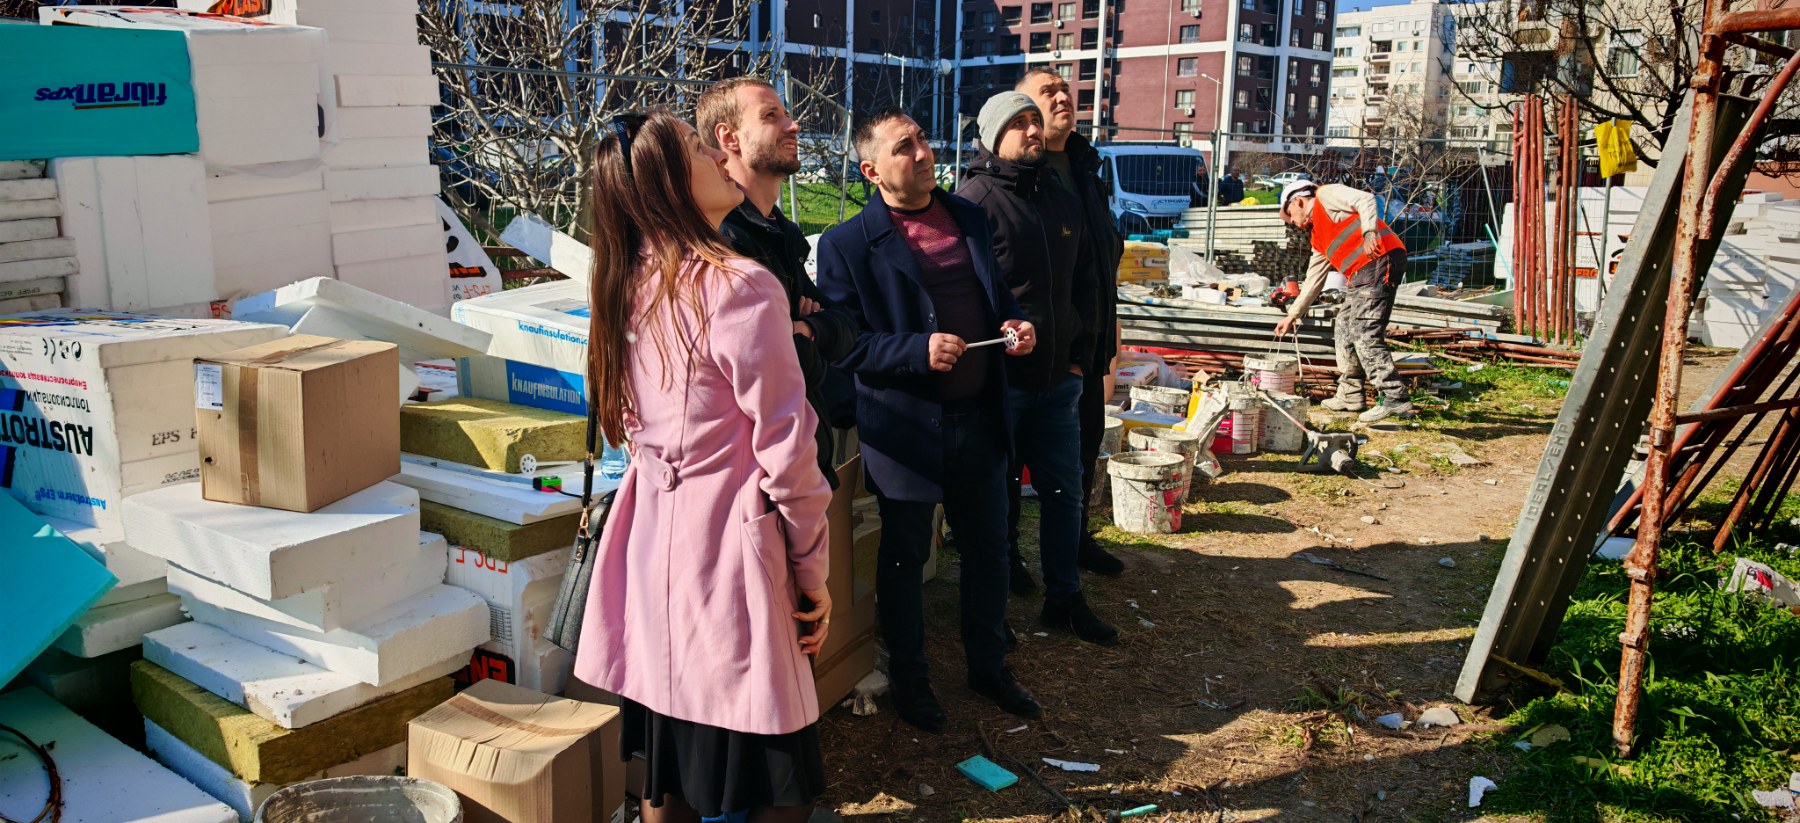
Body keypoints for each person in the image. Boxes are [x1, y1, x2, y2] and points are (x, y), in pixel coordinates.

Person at [575, 109, 833, 823]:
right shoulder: (739, 287)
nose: (719, 155)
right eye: (696, 147)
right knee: (777, 781)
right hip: (731, 569)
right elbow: (790, 454)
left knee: (671, 773)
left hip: (653, 558)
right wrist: (813, 572)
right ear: (666, 181)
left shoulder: (623, 285)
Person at [815, 108, 1043, 732]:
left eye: (921, 139)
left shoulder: (967, 216)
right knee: (906, 556)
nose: (922, 152)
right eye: (903, 146)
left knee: (989, 550)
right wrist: (915, 351)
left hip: (980, 417)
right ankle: (912, 681)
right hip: (907, 428)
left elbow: (999, 295)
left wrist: (1016, 323)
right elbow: (844, 344)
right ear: (871, 172)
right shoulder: (847, 244)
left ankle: (988, 667)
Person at [956, 90, 1116, 647]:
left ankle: (1064, 598)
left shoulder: (1060, 198)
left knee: (1064, 494)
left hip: (1057, 383)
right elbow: (962, 296)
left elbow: (1086, 283)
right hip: (999, 386)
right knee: (993, 501)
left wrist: (1077, 360)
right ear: (992, 136)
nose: (1032, 130)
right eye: (1018, 123)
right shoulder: (973, 204)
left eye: (1033, 120)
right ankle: (993, 607)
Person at [698, 77, 856, 486]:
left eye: (786, 113)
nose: (793, 126)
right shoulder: (722, 241)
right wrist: (805, 337)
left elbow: (846, 327)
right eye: (771, 116)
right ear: (729, 137)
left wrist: (806, 329)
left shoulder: (782, 234)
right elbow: (770, 368)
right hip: (757, 479)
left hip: (800, 462)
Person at [1013, 67, 1126, 589]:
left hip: (1090, 335)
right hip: (1039, 345)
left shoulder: (1085, 166)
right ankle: (1008, 556)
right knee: (1016, 459)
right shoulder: (1022, 171)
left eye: (1065, 89)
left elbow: (1101, 256)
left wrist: (1107, 328)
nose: (1062, 97)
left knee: (1083, 445)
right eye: (1047, 92)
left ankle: (1076, 539)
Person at [1273, 180, 1412, 423]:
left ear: (1298, 201)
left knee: (1363, 331)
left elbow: (1365, 199)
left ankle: (1394, 397)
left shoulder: (1326, 195)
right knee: (1345, 326)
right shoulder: (1318, 237)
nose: (1292, 222)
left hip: (1379, 260)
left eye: (1290, 215)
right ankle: (1350, 394)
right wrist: (1292, 315)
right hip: (1362, 273)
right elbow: (1314, 279)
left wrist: (1369, 232)